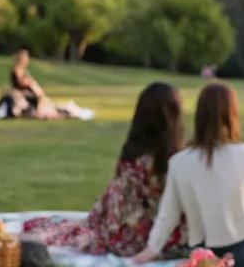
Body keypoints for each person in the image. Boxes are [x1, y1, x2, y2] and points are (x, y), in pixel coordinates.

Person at [23, 83, 186, 256]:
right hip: (163, 238)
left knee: (64, 230)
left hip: (130, 235)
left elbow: (119, 207)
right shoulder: (176, 159)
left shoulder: (134, 157)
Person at [132, 82, 244, 267]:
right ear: (232, 114)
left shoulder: (179, 162)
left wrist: (150, 251)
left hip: (204, 252)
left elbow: (168, 215)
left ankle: (221, 263)